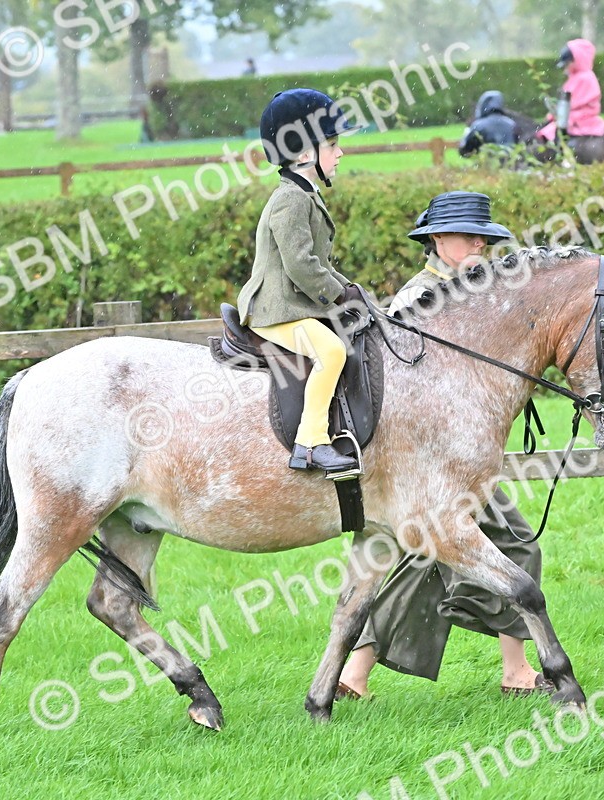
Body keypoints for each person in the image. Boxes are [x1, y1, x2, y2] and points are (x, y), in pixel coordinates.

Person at [336, 191, 556, 699]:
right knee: (492, 549)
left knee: (444, 558)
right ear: (437, 239)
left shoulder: (482, 291)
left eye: (484, 237)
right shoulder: (417, 298)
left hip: (456, 459)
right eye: (468, 236)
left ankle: (355, 675)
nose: (479, 244)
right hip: (424, 463)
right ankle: (514, 671)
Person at [237, 88, 364, 477]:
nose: (340, 153)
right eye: (333, 144)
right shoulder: (291, 199)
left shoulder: (304, 194)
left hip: (292, 305)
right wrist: (337, 295)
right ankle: (310, 444)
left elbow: (318, 263)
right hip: (275, 308)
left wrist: (351, 290)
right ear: (305, 153)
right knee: (332, 351)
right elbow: (300, 266)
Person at [537, 38, 604, 143]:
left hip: (583, 118)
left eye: (567, 64)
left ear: (577, 60)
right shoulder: (574, 77)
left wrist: (558, 111)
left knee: (550, 133)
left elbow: (573, 103)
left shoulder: (585, 78)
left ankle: (561, 150)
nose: (565, 68)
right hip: (572, 116)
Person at [457, 91, 523, 158]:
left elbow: (465, 151)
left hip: (486, 163)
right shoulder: (512, 124)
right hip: (510, 163)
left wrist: (466, 135)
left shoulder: (478, 125)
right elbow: (520, 147)